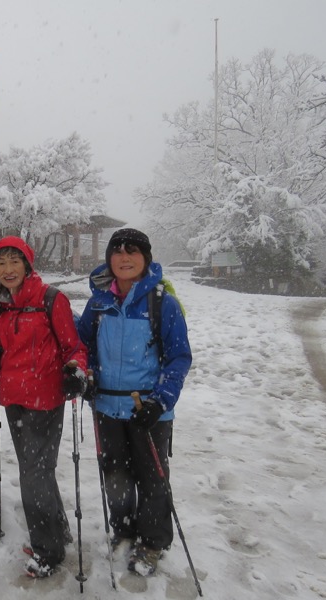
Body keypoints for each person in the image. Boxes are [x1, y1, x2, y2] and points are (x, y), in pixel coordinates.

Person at [76, 228, 192, 576]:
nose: (124, 258)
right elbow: (82, 345)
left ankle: (153, 542)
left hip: (148, 410)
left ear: (145, 259)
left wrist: (161, 400)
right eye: (118, 251)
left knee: (152, 477)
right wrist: (83, 374)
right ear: (110, 259)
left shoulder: (162, 303)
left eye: (133, 251)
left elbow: (179, 357)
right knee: (116, 475)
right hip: (106, 407)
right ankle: (123, 530)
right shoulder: (98, 302)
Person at [0, 236, 89, 578]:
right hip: (13, 399)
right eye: (1, 263)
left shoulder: (50, 299)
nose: (8, 269)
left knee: (34, 475)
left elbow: (74, 347)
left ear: (28, 265)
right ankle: (57, 531)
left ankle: (48, 551)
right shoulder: (2, 303)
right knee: (36, 472)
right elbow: (3, 341)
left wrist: (75, 370)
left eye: (15, 261)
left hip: (45, 399)